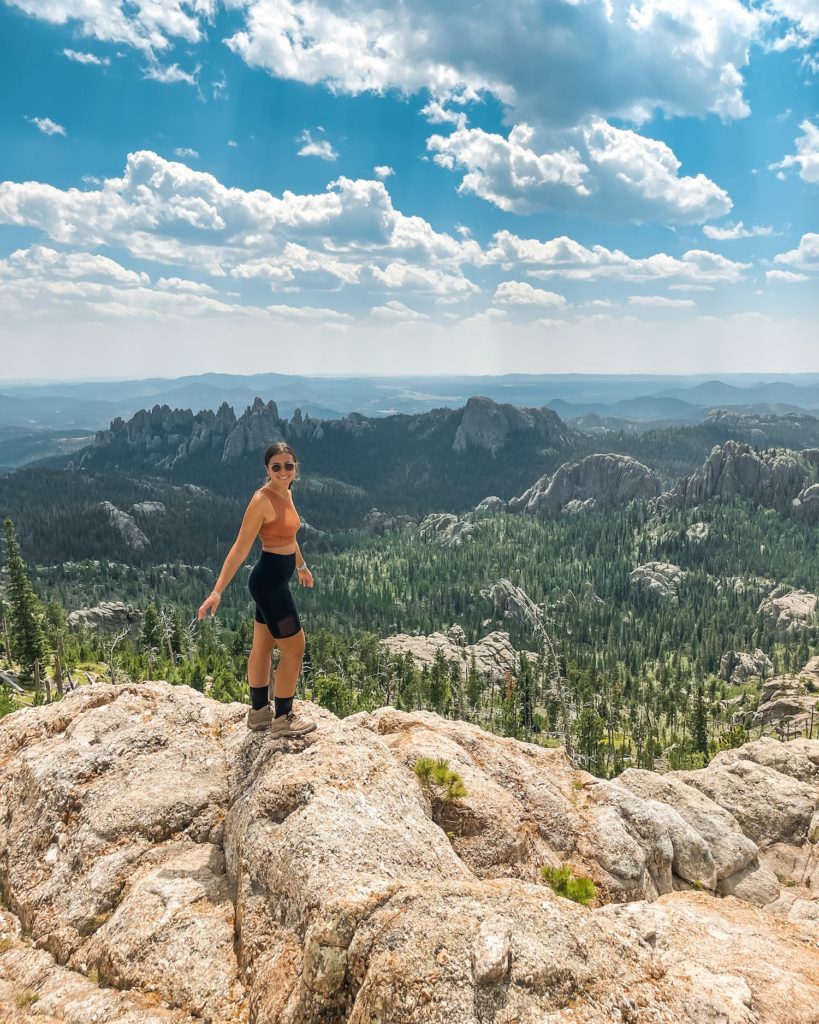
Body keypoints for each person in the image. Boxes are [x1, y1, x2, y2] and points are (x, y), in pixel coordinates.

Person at [197, 441, 317, 736]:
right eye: (276, 467)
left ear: (295, 468)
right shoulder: (262, 500)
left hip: (275, 580)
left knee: (263, 645)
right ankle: (283, 718)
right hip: (270, 584)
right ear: (267, 469)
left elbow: (289, 537)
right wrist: (217, 591)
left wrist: (301, 566)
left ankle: (259, 713)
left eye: (288, 465)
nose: (283, 471)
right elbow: (239, 549)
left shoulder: (286, 493)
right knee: (295, 649)